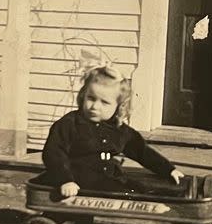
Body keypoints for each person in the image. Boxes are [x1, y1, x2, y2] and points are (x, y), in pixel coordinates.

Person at [42, 65, 185, 198]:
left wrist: (168, 169)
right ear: (83, 96)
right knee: (127, 193)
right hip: (78, 182)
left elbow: (141, 151)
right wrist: (65, 180)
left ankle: (176, 196)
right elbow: (54, 153)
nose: (95, 107)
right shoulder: (70, 123)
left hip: (108, 179)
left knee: (139, 189)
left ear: (118, 106)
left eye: (104, 102)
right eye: (91, 98)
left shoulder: (118, 129)